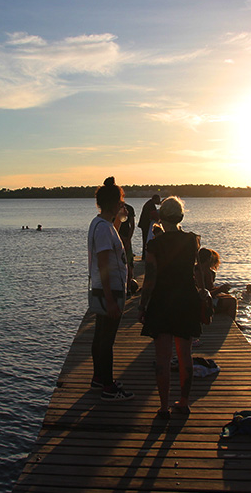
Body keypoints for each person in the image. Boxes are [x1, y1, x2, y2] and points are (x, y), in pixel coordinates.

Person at [139, 196, 203, 418]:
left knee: (163, 359)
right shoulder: (192, 240)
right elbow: (197, 272)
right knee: (185, 356)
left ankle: (164, 406)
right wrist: (203, 293)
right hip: (186, 300)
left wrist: (141, 305)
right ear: (181, 217)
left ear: (161, 217)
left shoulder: (154, 245)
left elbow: (150, 280)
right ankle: (184, 402)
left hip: (162, 302)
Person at [87, 177, 134, 401]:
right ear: (115, 203)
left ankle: (99, 378)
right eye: (121, 201)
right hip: (110, 290)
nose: (122, 205)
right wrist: (111, 299)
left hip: (100, 288)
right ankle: (108, 386)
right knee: (107, 340)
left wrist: (119, 221)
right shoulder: (104, 229)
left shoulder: (100, 224)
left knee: (100, 337)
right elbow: (104, 263)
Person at [196, 248, 237, 318]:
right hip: (203, 302)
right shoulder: (199, 272)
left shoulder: (204, 270)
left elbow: (210, 289)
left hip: (207, 298)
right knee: (232, 301)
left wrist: (221, 289)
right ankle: (231, 322)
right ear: (208, 259)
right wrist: (219, 289)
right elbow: (204, 294)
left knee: (228, 296)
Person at [116, 201, 136, 293]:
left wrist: (128, 240)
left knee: (129, 263)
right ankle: (123, 288)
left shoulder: (129, 209)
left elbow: (132, 226)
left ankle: (127, 288)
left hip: (125, 237)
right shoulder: (114, 209)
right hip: (118, 238)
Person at [138, 194, 160, 260]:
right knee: (146, 240)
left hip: (144, 224)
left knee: (145, 240)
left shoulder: (149, 203)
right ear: (155, 199)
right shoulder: (151, 205)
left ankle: (144, 255)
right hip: (146, 225)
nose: (159, 201)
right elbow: (154, 215)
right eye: (158, 200)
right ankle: (145, 256)